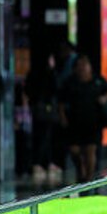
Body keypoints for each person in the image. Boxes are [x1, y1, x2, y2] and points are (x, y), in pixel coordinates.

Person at [58, 55, 107, 183]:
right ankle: (80, 169)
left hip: (93, 121)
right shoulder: (70, 82)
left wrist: (104, 99)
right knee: (74, 150)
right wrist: (63, 117)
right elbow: (61, 101)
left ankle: (88, 178)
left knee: (90, 150)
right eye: (80, 65)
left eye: (85, 64)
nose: (82, 68)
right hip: (75, 122)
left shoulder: (97, 80)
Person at [25, 53, 61, 185]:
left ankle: (42, 162)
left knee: (41, 135)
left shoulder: (33, 73)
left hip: (37, 109)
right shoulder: (48, 75)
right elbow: (55, 88)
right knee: (45, 136)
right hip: (45, 110)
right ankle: (40, 162)